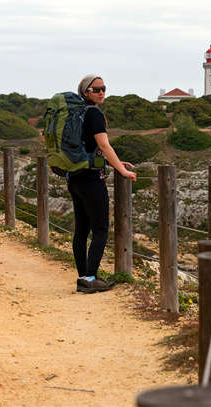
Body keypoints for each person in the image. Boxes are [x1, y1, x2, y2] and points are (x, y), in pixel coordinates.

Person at [70, 74, 137, 293]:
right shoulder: (95, 114)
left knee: (81, 229)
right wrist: (122, 170)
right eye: (96, 89)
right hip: (91, 179)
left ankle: (83, 277)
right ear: (85, 92)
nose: (101, 93)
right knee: (100, 229)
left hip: (75, 176)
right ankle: (90, 278)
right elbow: (104, 145)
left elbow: (89, 147)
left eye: (103, 88)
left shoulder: (77, 112)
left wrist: (116, 162)